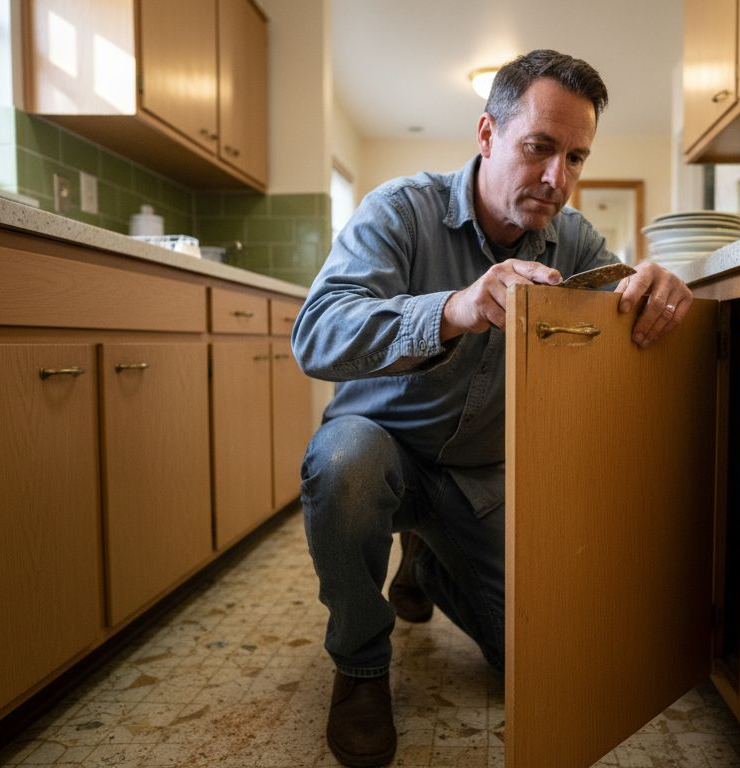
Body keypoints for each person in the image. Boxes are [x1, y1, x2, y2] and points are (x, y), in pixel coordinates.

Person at [291, 49, 693, 767]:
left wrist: (653, 287)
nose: (556, 179)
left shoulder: (573, 243)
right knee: (344, 465)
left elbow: (613, 345)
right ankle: (359, 666)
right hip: (379, 449)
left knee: (534, 663)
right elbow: (316, 335)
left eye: (576, 157)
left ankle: (425, 561)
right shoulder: (399, 210)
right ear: (486, 133)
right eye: (539, 148)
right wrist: (455, 307)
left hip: (479, 480)